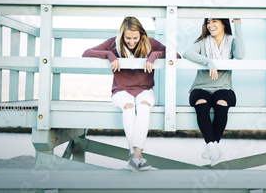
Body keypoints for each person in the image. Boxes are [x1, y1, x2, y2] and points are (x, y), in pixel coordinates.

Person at [82, 16, 174, 172]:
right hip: (121, 90)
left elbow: (174, 54)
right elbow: (86, 53)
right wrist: (110, 55)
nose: (131, 42)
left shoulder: (149, 42)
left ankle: (135, 156)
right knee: (129, 108)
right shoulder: (113, 43)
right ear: (122, 35)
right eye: (128, 38)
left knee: (144, 107)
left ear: (142, 35)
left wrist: (153, 56)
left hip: (144, 90)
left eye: (135, 38)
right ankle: (137, 157)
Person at [183, 18, 245, 166]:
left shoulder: (231, 41)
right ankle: (213, 146)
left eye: (214, 21)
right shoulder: (203, 42)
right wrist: (209, 62)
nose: (210, 25)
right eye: (208, 22)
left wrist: (238, 26)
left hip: (224, 87)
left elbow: (241, 55)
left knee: (221, 104)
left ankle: (212, 146)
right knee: (201, 104)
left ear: (223, 23)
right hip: (201, 87)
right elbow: (187, 53)